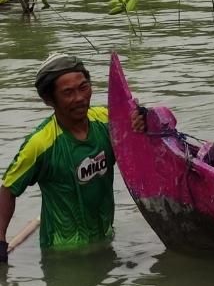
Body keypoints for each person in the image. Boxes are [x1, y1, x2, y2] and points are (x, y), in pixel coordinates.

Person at [1, 53, 144, 257]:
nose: (79, 98)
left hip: (105, 237)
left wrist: (140, 123)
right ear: (48, 100)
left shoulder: (107, 121)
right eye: (68, 93)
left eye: (83, 87)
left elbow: (141, 149)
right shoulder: (40, 144)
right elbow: (8, 189)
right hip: (63, 253)